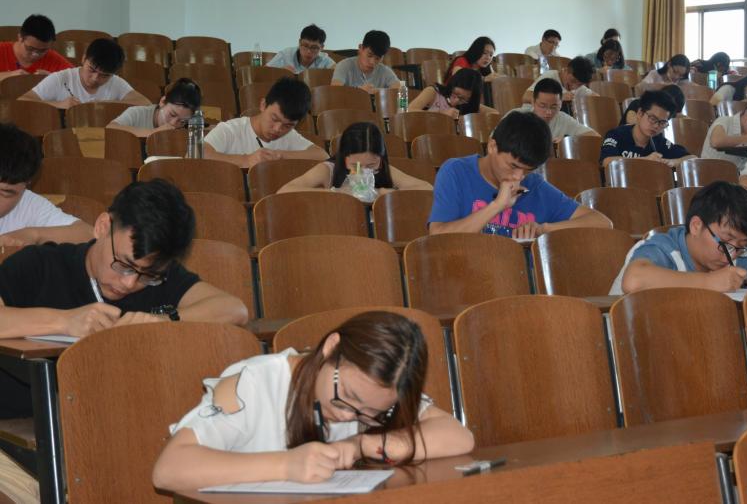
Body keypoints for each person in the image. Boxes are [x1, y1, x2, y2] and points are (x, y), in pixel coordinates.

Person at [0, 179, 249, 418]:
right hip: (23, 426)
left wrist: (163, 321)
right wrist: (65, 322)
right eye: (123, 264)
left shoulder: (160, 276)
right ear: (103, 227)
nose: (129, 283)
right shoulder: (39, 264)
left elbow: (233, 309)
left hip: (121, 420)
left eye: (147, 275)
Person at [152, 311, 474, 490]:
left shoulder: (380, 390)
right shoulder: (254, 382)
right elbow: (169, 469)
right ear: (331, 348)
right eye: (347, 397)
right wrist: (285, 465)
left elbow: (458, 436)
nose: (349, 416)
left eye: (372, 413)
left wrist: (361, 445)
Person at [428, 110, 610, 238]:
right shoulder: (456, 171)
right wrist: (497, 206)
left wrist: (544, 229)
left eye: (528, 170)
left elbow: (601, 222)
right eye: (513, 166)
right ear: (492, 146)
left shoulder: (534, 186)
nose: (519, 177)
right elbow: (438, 235)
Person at [609, 181, 747, 295]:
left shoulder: (735, 254)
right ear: (696, 226)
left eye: (741, 245)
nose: (731, 254)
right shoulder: (662, 248)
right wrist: (709, 282)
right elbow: (634, 281)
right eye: (725, 241)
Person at [0, 123, 93, 248]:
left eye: (4, 193)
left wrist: (34, 235)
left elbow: (89, 235)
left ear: (26, 184)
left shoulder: (28, 204)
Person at [204, 77, 328, 168]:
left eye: (288, 125)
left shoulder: (289, 136)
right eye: (274, 119)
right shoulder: (230, 129)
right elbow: (200, 154)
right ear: (263, 105)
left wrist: (279, 155)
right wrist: (246, 160)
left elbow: (322, 156)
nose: (277, 129)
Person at [278, 122, 432, 194]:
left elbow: (427, 188)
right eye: (356, 165)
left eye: (370, 165)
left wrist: (383, 193)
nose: (363, 171)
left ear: (380, 159)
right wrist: (336, 193)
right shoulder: (328, 170)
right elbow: (285, 191)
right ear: (344, 158)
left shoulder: (383, 169)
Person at [21, 38, 149, 108]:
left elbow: (145, 103)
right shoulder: (62, 78)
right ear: (83, 59)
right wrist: (58, 105)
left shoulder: (115, 82)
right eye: (92, 70)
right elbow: (23, 100)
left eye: (104, 75)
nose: (95, 78)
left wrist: (108, 105)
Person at [600, 90, 690, 165]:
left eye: (662, 122)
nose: (656, 126)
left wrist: (672, 162)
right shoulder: (616, 134)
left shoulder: (660, 142)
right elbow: (606, 161)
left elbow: (691, 158)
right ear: (640, 113)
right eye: (653, 119)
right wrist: (645, 160)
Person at [506, 79, 597, 143]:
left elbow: (595, 136)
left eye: (554, 107)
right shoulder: (515, 117)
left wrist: (568, 138)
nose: (548, 112)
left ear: (560, 104)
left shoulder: (563, 119)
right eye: (543, 106)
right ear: (533, 102)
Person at [107, 78, 202, 137]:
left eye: (182, 121)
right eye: (172, 114)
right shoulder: (137, 113)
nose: (174, 123)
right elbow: (111, 128)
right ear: (162, 102)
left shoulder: (186, 128)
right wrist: (152, 132)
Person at [0, 14, 72, 81]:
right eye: (30, 49)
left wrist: (53, 79)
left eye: (43, 50)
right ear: (20, 38)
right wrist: (8, 75)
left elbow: (76, 79)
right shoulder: (2, 50)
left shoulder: (53, 59)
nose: (35, 54)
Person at [407, 69, 493, 120]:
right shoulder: (433, 92)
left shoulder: (469, 104)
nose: (456, 101)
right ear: (452, 85)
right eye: (455, 94)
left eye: (463, 99)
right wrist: (441, 114)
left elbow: (494, 113)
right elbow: (409, 110)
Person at [330, 30, 399, 93]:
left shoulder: (384, 71)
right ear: (360, 48)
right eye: (369, 55)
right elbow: (335, 91)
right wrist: (359, 92)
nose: (372, 62)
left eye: (377, 58)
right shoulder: (344, 65)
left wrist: (379, 92)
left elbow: (401, 93)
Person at [525, 56, 595, 106]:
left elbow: (596, 98)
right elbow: (526, 97)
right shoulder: (550, 76)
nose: (574, 87)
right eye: (572, 81)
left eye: (579, 85)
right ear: (566, 70)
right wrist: (558, 98)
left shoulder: (579, 87)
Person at [267, 24, 335, 73]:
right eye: (305, 45)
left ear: (322, 47)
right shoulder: (286, 55)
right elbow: (264, 72)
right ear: (299, 43)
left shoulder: (324, 60)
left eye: (314, 48)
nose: (308, 51)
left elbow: (337, 73)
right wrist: (279, 72)